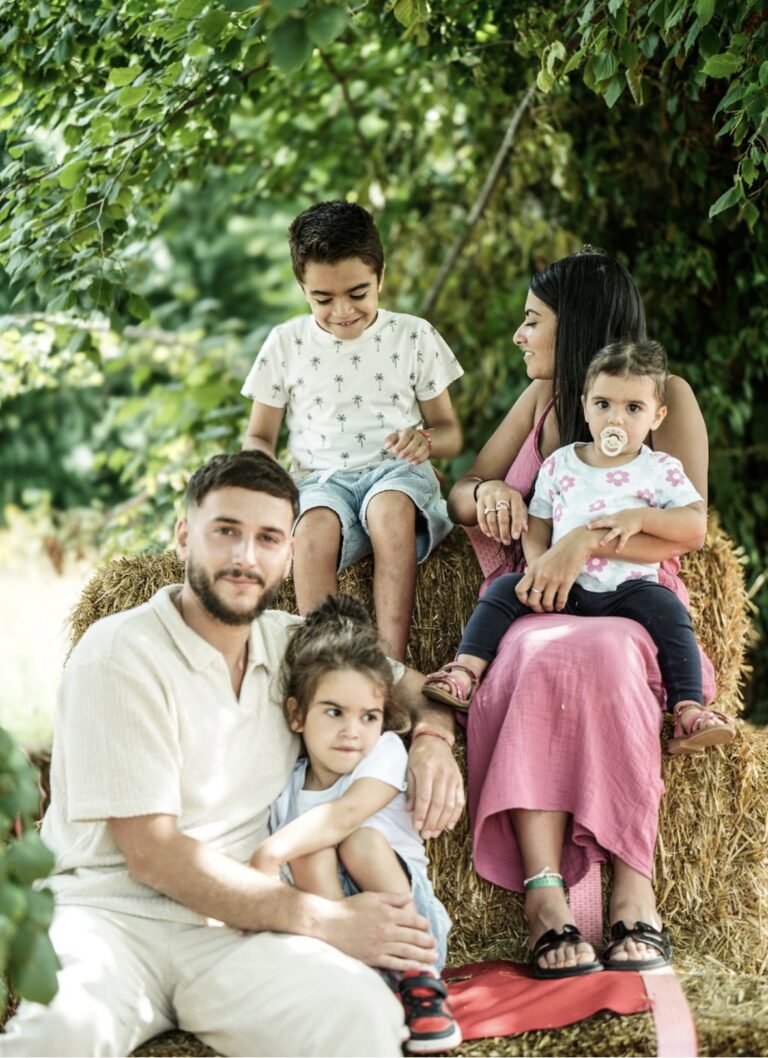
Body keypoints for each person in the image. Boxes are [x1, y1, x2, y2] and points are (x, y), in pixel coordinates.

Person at [0, 450, 463, 1058]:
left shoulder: (295, 641)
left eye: (268, 537)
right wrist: (327, 921)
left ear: (289, 554)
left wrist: (432, 739)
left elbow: (412, 688)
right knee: (59, 1036)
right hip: (112, 919)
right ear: (185, 535)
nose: (247, 557)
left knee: (362, 1018)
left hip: (238, 931)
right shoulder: (119, 654)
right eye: (227, 532)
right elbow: (153, 855)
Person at [446, 248, 722, 980]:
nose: (518, 335)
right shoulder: (541, 402)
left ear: (575, 330)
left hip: (635, 598)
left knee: (604, 657)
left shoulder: (671, 399)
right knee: (536, 657)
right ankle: (545, 897)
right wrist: (490, 496)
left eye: (532, 320)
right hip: (539, 600)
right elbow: (463, 488)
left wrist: (580, 541)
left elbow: (688, 521)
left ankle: (634, 881)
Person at [424, 339, 735, 756]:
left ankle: (689, 709)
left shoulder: (659, 469)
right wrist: (538, 565)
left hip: (630, 591)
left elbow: (694, 522)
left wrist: (641, 518)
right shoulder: (563, 463)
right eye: (603, 404)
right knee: (501, 593)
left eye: (633, 409)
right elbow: (539, 521)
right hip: (565, 588)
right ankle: (464, 673)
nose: (615, 420)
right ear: (585, 404)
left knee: (671, 613)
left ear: (657, 416)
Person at [242, 199, 464, 660]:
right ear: (302, 287)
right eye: (323, 299)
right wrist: (271, 486)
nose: (342, 311)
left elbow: (449, 433)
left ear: (380, 277)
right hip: (321, 481)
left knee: (389, 511)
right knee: (314, 532)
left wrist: (424, 441)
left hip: (394, 473)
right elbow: (260, 436)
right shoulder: (286, 344)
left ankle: (390, 664)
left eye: (358, 293)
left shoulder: (413, 336)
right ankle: (326, 667)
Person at [251, 593, 462, 1056]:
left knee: (357, 839)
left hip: (409, 932)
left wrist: (267, 854)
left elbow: (343, 816)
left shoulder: (384, 753)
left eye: (368, 715)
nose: (353, 730)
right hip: (333, 933)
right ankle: (348, 976)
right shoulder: (285, 789)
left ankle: (422, 989)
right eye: (334, 712)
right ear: (295, 715)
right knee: (309, 849)